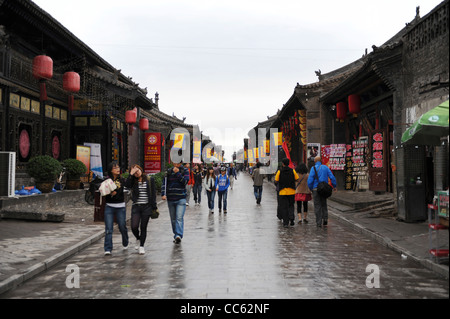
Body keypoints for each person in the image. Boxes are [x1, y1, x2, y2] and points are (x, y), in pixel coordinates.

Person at [125, 164, 157, 254]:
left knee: (143, 227)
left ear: (141, 169)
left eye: (137, 170)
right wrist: (130, 175)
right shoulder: (132, 181)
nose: (136, 173)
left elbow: (153, 194)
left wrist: (154, 207)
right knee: (134, 226)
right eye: (134, 172)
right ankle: (138, 238)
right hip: (136, 206)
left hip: (146, 207)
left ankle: (142, 246)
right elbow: (126, 186)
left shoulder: (150, 179)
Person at [103, 162, 129, 255]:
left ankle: (125, 241)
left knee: (122, 226)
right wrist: (109, 192)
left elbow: (128, 185)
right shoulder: (106, 180)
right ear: (111, 170)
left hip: (120, 206)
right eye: (115, 168)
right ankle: (108, 248)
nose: (118, 169)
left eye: (118, 167)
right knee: (109, 229)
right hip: (109, 206)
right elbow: (102, 190)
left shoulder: (122, 180)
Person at [161, 162, 190, 243]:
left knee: (179, 218)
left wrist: (178, 173)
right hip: (170, 198)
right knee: (173, 219)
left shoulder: (185, 170)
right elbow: (164, 183)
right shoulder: (169, 171)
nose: (176, 163)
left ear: (180, 162)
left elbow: (185, 182)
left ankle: (178, 235)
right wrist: (163, 194)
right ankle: (176, 234)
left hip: (181, 198)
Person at [307, 156, 337, 228]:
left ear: (315, 161)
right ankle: (325, 218)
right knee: (324, 204)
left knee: (317, 205)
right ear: (321, 161)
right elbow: (332, 177)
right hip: (324, 189)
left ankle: (318, 222)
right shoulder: (325, 167)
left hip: (315, 189)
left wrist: (310, 188)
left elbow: (310, 180)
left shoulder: (313, 168)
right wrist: (334, 186)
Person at [274, 158, 299, 227]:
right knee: (291, 206)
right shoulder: (293, 171)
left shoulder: (280, 171)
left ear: (283, 163)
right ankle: (291, 219)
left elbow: (276, 180)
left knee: (284, 207)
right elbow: (297, 179)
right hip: (291, 192)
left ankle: (285, 223)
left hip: (282, 192)